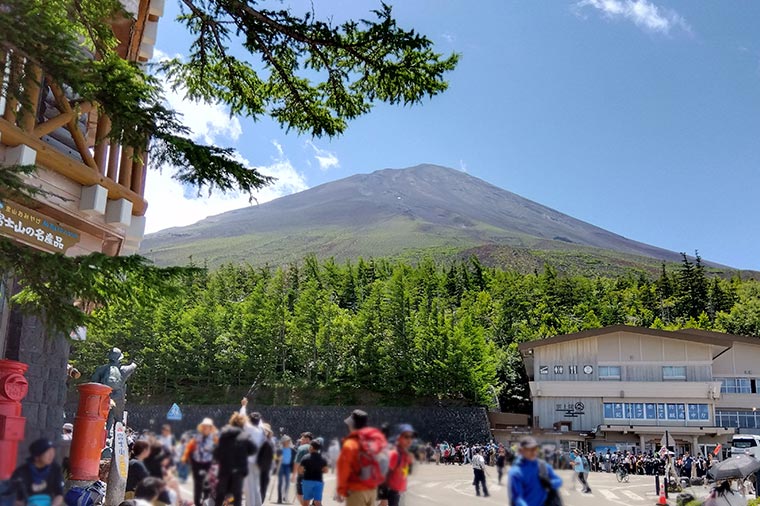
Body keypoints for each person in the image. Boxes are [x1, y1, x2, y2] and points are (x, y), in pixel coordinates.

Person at [336, 409, 387, 506]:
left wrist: (341, 490)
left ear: (352, 425)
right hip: (372, 489)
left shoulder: (351, 443)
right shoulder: (373, 441)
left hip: (356, 490)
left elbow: (344, 468)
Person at [214, 412, 257, 506]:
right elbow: (254, 449)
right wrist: (244, 453)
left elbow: (217, 451)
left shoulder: (223, 435)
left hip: (225, 469)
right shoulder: (245, 436)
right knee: (237, 496)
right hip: (239, 470)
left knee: (220, 494)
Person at [508, 436, 562, 506]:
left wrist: (550, 483)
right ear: (522, 451)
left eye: (535, 448)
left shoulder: (543, 465)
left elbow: (558, 480)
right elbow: (517, 497)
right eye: (529, 449)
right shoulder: (516, 472)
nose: (533, 451)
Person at [10, 438, 64, 506]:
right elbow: (13, 499)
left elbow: (59, 494)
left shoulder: (55, 469)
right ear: (36, 456)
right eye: (48, 452)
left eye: (52, 451)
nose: (51, 455)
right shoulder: (21, 472)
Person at [182, 418, 218, 506]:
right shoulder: (197, 437)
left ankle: (206, 500)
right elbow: (189, 448)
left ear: (211, 428)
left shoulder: (214, 438)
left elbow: (220, 449)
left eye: (207, 427)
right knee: (198, 485)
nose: (205, 428)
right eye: (204, 427)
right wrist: (185, 458)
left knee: (209, 484)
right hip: (197, 464)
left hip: (208, 463)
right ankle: (197, 503)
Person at [379, 424, 415, 506]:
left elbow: (406, 473)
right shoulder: (394, 454)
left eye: (411, 437)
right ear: (399, 438)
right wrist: (384, 498)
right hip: (391, 494)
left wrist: (410, 462)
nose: (409, 440)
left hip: (400, 493)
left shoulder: (406, 455)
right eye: (406, 437)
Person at [239, 398, 264, 506]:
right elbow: (259, 421)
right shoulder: (261, 430)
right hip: (259, 462)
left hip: (248, 461)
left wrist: (244, 405)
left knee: (248, 488)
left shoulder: (249, 428)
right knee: (255, 486)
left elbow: (241, 417)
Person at [298, 441, 329, 506]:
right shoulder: (323, 458)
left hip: (307, 481)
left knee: (306, 501)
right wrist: (318, 470)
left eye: (310, 446)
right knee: (317, 502)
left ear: (311, 447)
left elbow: (300, 470)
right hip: (318, 481)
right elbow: (326, 470)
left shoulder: (305, 457)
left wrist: (306, 471)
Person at [293, 432, 314, 505]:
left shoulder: (301, 448)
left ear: (307, 439)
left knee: (299, 494)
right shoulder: (316, 447)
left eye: (302, 439)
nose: (301, 441)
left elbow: (297, 462)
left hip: (302, 473)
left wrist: (294, 475)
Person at [258, 424, 275, 502]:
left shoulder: (271, 442)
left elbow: (273, 455)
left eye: (266, 431)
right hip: (258, 467)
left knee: (263, 487)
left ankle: (260, 502)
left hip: (266, 468)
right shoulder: (258, 440)